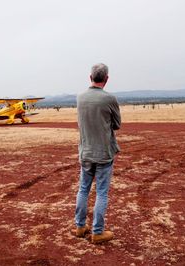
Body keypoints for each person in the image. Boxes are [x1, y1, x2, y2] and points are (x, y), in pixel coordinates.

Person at [72, 63, 121, 244]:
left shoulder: (80, 97)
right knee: (101, 192)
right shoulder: (110, 99)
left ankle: (80, 226)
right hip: (104, 153)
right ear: (106, 79)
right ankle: (98, 232)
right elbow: (117, 124)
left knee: (83, 189)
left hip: (85, 151)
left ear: (90, 77)